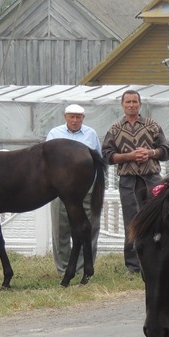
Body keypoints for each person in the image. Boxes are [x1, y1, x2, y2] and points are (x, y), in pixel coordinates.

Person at [102, 90, 169, 273]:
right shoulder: (115, 129)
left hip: (151, 179)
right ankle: (133, 265)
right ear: (122, 105)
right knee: (131, 221)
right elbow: (107, 156)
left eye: (134, 101)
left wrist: (151, 153)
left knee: (155, 220)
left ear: (140, 104)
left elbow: (166, 151)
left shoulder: (152, 126)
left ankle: (156, 260)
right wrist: (129, 156)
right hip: (128, 181)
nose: (131, 105)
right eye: (128, 102)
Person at [46, 104, 103, 276]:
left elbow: (98, 160)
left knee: (89, 226)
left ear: (83, 118)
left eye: (79, 117)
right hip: (60, 187)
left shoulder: (91, 134)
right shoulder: (55, 134)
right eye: (72, 116)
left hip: (87, 187)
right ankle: (63, 268)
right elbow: (47, 161)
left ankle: (83, 267)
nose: (75, 120)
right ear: (65, 117)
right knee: (61, 227)